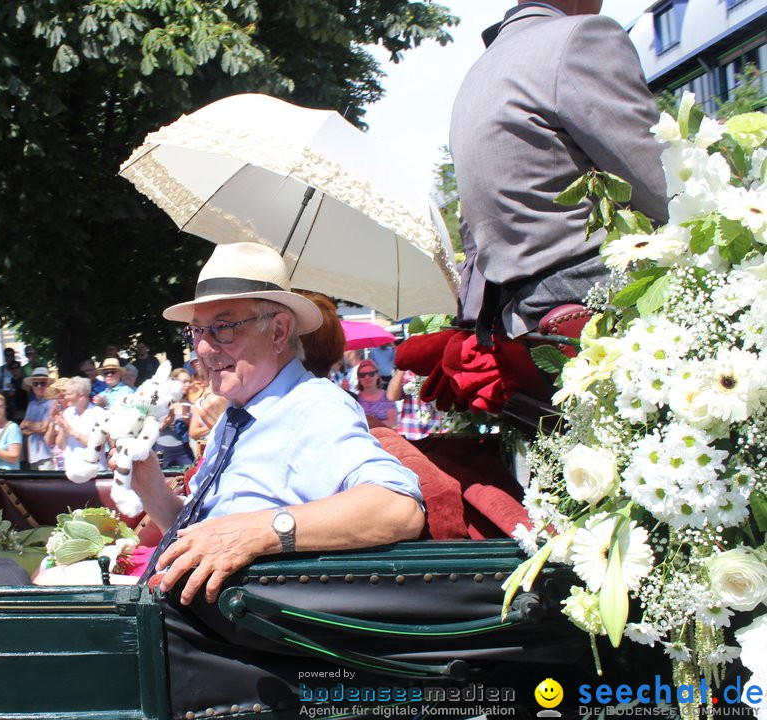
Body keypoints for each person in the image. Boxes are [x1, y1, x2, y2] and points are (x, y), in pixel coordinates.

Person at [129, 242, 425, 607]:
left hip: (241, 642)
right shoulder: (237, 416)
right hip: (194, 621)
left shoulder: (314, 406)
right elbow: (206, 533)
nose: (202, 349)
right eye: (196, 331)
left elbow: (398, 508)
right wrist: (150, 489)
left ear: (279, 332)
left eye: (223, 328)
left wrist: (262, 531)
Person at [449, 0, 667, 337]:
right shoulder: (581, 36)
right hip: (596, 300)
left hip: (520, 317)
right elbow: (660, 187)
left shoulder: (475, 73)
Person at [55, 377, 108, 474]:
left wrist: (73, 432)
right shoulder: (68, 413)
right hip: (71, 470)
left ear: (81, 396)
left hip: (93, 471)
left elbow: (99, 446)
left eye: (69, 394)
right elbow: (61, 446)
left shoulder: (99, 414)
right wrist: (63, 428)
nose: (66, 397)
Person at [152, 367, 196, 469]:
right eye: (184, 381)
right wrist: (165, 424)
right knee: (160, 480)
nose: (188, 384)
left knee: (189, 476)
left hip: (183, 449)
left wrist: (188, 421)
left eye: (189, 381)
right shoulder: (161, 402)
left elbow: (194, 432)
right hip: (162, 449)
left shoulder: (189, 404)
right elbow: (149, 431)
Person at [20, 367, 58, 470]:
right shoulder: (31, 404)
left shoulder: (52, 403)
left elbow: (43, 428)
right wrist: (36, 427)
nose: (39, 386)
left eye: (42, 383)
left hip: (48, 454)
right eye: (36, 384)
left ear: (48, 385)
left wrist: (28, 423)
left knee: (48, 485)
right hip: (33, 455)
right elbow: (22, 429)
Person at [353, 358, 396, 429]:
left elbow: (393, 422)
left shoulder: (388, 396)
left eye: (371, 374)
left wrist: (370, 424)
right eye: (362, 375)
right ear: (358, 378)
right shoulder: (355, 400)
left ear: (377, 375)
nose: (367, 377)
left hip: (386, 437)